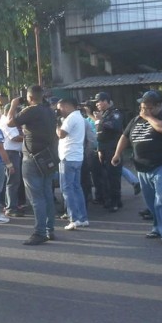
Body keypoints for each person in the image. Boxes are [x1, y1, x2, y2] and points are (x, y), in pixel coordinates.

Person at [112, 91, 162, 245]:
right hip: (142, 166)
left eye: (149, 108)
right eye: (143, 107)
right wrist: (117, 154)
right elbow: (124, 136)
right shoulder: (136, 119)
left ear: (159, 106)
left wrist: (149, 117)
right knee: (151, 201)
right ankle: (157, 227)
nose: (145, 110)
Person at [8, 85, 57, 245]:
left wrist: (14, 105)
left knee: (36, 198)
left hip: (32, 158)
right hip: (48, 157)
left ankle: (39, 232)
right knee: (47, 194)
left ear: (30, 98)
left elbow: (9, 123)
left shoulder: (31, 110)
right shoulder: (49, 111)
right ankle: (50, 230)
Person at [56, 98, 89, 230]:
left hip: (68, 157)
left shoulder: (70, 118)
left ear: (66, 106)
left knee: (67, 189)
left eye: (60, 108)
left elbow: (61, 134)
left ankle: (73, 218)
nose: (59, 111)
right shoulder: (79, 117)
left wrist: (57, 125)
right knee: (76, 188)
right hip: (77, 156)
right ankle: (83, 217)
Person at [94, 92, 124, 212]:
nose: (97, 104)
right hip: (104, 149)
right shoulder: (104, 114)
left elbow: (115, 126)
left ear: (106, 101)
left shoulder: (115, 113)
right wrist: (100, 149)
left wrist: (101, 120)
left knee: (113, 175)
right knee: (105, 176)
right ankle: (108, 199)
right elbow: (100, 135)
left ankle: (115, 201)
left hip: (113, 149)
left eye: (99, 101)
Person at [0, 103, 25, 217]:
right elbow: (14, 138)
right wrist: (30, 137)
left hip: (11, 152)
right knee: (13, 181)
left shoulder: (4, 120)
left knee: (11, 181)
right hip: (11, 153)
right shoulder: (7, 122)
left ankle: (10, 205)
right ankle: (11, 208)